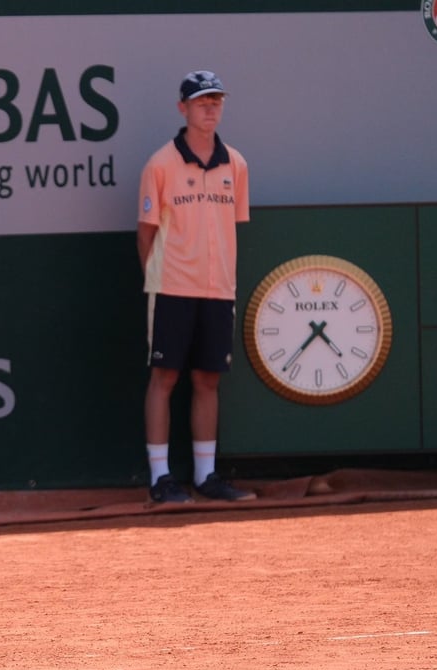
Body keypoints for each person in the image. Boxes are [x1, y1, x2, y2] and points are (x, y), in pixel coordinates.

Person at [137, 71, 255, 504]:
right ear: (182, 107)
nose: (210, 109)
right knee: (164, 376)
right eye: (202, 101)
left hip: (219, 289)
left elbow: (232, 228)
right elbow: (146, 232)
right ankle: (160, 478)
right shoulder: (160, 164)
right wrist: (156, 278)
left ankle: (206, 476)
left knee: (208, 379)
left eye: (216, 101)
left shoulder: (236, 164)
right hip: (171, 287)